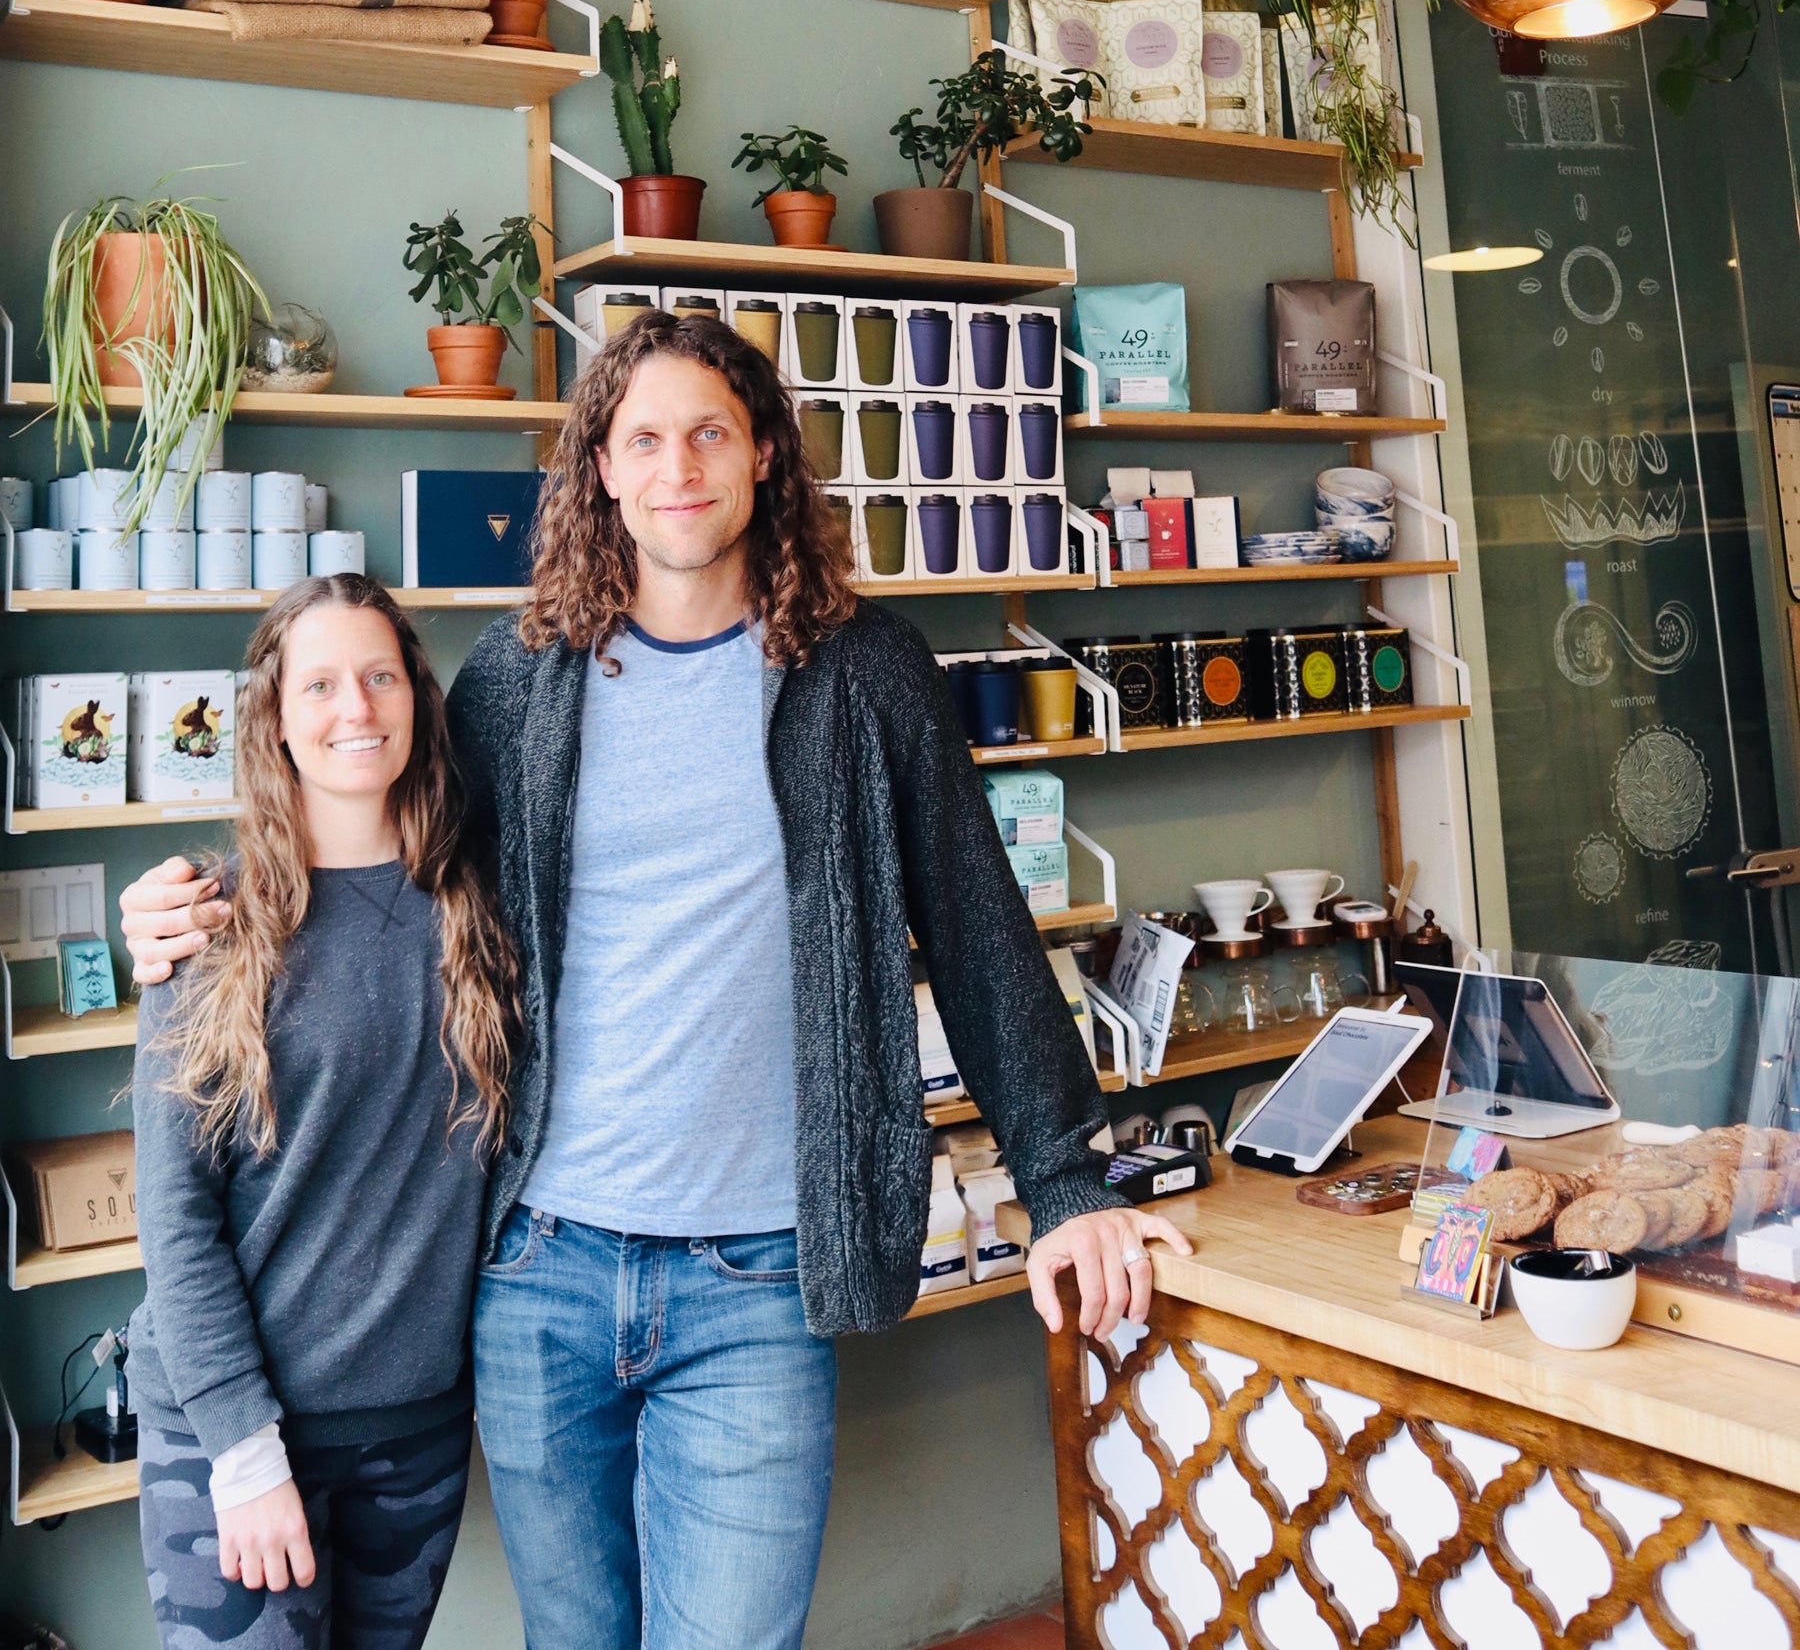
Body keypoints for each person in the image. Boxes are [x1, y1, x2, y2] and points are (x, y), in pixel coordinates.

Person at [122, 312, 1190, 1650]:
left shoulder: (869, 678)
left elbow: (980, 935)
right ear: (603, 474)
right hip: (540, 1272)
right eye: (643, 438)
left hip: (758, 1280)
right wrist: (183, 916)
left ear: (761, 459)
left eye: (707, 432)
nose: (677, 464)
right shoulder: (518, 685)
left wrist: (1068, 1182)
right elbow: (364, 852)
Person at [127, 574, 519, 1650]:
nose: (357, 707)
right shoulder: (206, 923)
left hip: (414, 1429)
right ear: (277, 719)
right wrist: (245, 1451)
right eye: (322, 683)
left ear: (417, 698)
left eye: (381, 674)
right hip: (237, 1430)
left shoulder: (479, 907)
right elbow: (174, 1214)